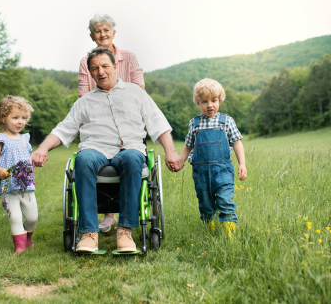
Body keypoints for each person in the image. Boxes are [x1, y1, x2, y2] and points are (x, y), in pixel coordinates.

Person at [32, 47, 184, 253]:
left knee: (131, 158)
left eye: (105, 66)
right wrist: (42, 149)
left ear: (115, 67)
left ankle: (125, 231)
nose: (101, 71)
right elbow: (63, 129)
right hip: (95, 149)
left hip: (130, 148)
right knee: (83, 159)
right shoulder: (84, 102)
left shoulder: (136, 93)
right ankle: (89, 234)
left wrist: (171, 152)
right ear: (91, 73)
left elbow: (158, 123)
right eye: (95, 68)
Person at [78, 13, 146, 232]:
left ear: (113, 33)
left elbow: (140, 89)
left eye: (106, 30)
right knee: (90, 156)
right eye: (98, 31)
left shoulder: (129, 57)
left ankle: (126, 223)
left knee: (129, 157)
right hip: (98, 120)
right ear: (92, 36)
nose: (103, 34)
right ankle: (108, 214)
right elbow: (84, 96)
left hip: (127, 118)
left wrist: (120, 99)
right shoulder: (86, 63)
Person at [179, 78, 247, 238]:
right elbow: (188, 145)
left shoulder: (227, 121)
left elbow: (237, 143)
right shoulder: (194, 123)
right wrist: (180, 160)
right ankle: (210, 230)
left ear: (220, 100)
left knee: (225, 201)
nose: (210, 105)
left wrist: (242, 164)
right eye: (204, 101)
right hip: (201, 172)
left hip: (223, 170)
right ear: (198, 102)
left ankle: (230, 237)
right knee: (206, 204)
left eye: (214, 100)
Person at [0, 95, 38, 254]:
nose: (20, 122)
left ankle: (28, 237)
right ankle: (20, 247)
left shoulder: (24, 139)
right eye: (15, 117)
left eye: (23, 118)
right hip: (7, 185)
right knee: (15, 217)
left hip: (25, 184)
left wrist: (33, 161)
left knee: (32, 217)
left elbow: (26, 156)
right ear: (3, 118)